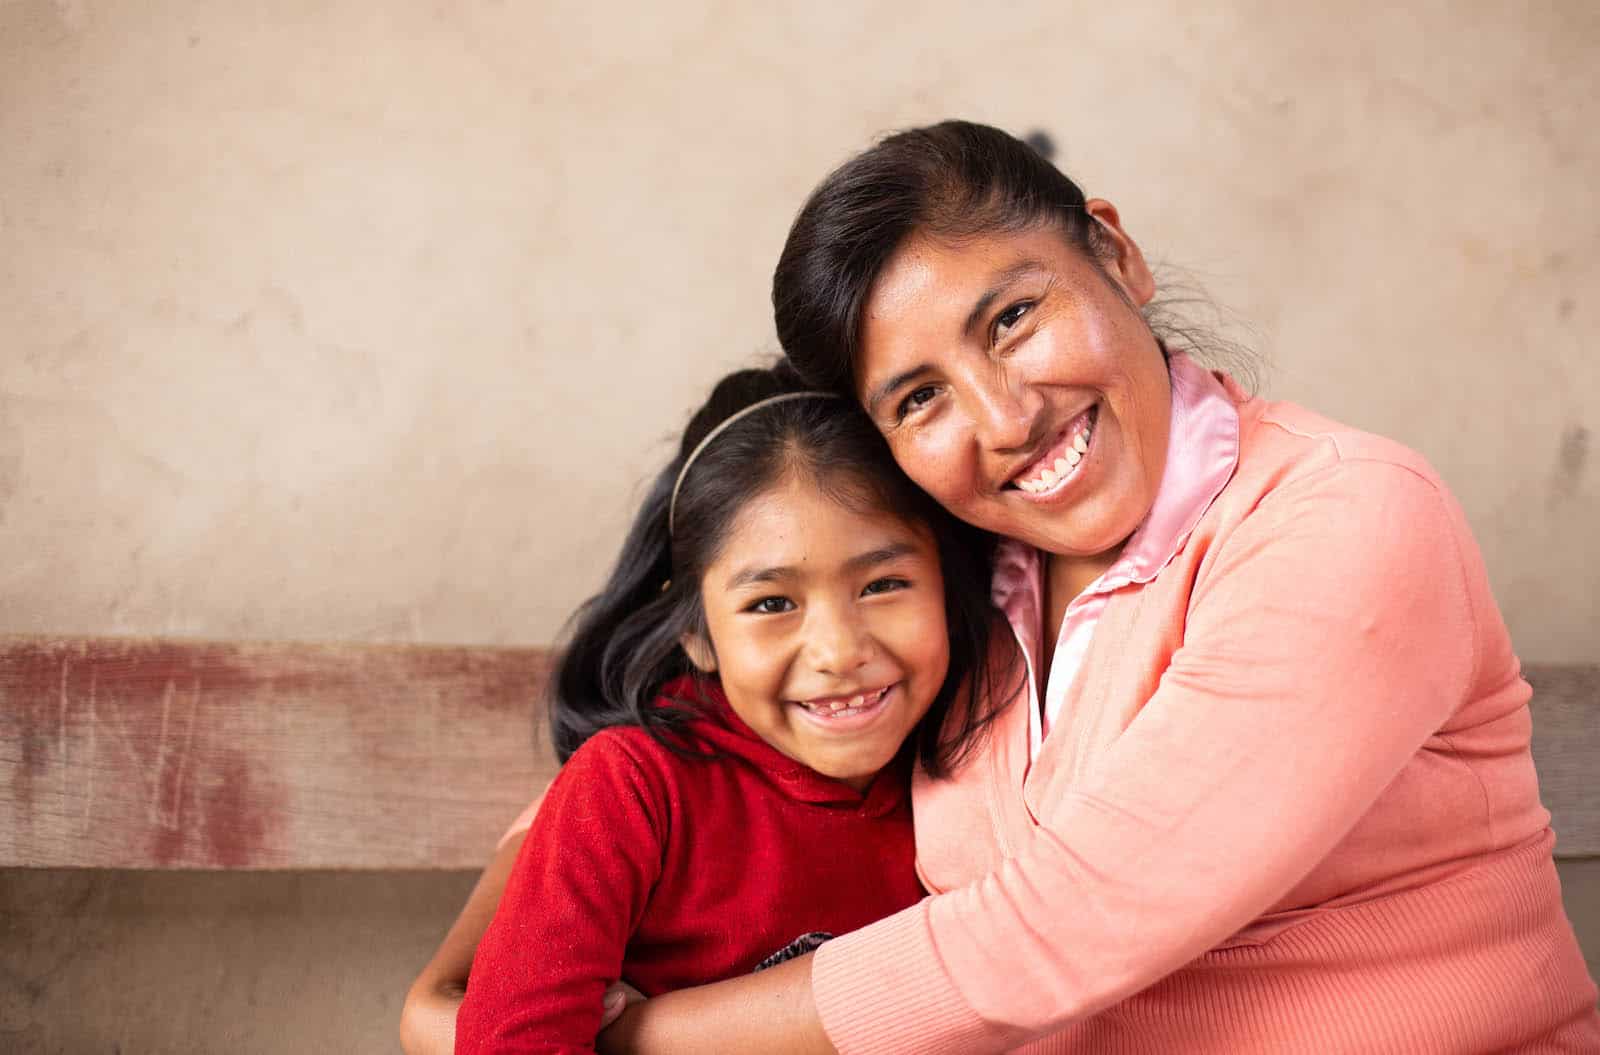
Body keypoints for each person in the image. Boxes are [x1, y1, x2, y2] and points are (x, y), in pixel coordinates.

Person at [408, 121, 1600, 1053]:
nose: (1005, 416)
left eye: (1013, 317)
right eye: (917, 397)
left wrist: (628, 1030)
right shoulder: (949, 585)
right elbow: (693, 773)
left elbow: (1052, 934)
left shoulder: (1344, 519)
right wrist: (489, 981)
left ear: (1114, 252)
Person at [449, 364, 1015, 1053]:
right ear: (697, 634)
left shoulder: (982, 769)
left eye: (885, 583)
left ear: (947, 586)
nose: (838, 650)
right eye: (772, 603)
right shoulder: (631, 788)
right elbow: (512, 1039)